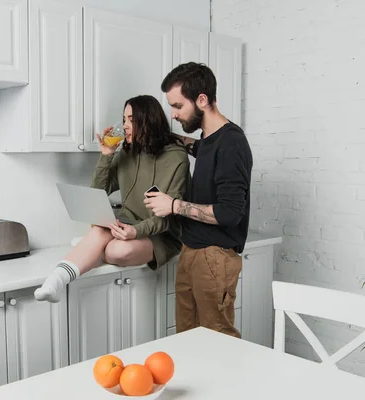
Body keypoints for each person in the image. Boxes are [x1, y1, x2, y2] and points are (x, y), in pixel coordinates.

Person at [34, 95, 190, 303]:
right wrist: (106, 155)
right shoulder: (127, 151)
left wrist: (136, 231)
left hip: (161, 233)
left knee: (117, 251)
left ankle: (91, 246)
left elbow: (169, 216)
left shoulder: (175, 158)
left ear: (148, 120)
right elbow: (99, 190)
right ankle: (57, 279)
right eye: (123, 119)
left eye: (130, 119)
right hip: (125, 226)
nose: (124, 126)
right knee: (101, 229)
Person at [144, 62, 253, 338]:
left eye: (178, 106)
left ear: (202, 100)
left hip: (215, 257)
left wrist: (173, 205)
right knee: (188, 340)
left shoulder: (232, 142)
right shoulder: (210, 139)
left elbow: (230, 213)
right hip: (192, 251)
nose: (174, 114)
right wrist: (162, 135)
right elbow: (200, 148)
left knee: (218, 341)